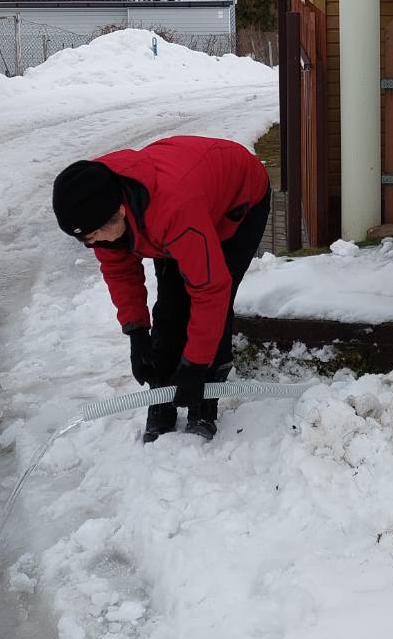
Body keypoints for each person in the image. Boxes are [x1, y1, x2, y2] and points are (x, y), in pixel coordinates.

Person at [51, 135, 271, 443]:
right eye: (86, 239)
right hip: (185, 199)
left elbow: (210, 291)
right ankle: (162, 398)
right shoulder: (95, 206)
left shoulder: (172, 208)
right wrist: (137, 333)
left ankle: (204, 401)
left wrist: (195, 366)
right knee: (171, 305)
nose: (93, 243)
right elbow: (119, 269)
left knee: (216, 296)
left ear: (121, 210)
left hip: (237, 204)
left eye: (96, 234)